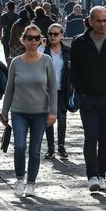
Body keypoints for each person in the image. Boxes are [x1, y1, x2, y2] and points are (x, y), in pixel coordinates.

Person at [69, 6, 106, 192]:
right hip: (88, 98)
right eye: (99, 21)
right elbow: (74, 71)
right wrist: (82, 92)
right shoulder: (80, 42)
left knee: (104, 139)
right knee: (90, 137)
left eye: (105, 20)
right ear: (90, 21)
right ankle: (92, 175)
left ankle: (102, 174)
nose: (103, 24)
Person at [0, 24, 57, 197]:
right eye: (30, 38)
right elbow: (9, 88)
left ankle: (31, 182)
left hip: (40, 112)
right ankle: (19, 179)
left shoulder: (46, 60)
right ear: (23, 40)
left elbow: (53, 87)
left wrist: (53, 111)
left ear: (41, 40)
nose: (33, 41)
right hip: (19, 111)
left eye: (36, 38)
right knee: (19, 146)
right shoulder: (16, 63)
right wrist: (4, 111)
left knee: (35, 149)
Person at [43, 23, 70, 159]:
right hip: (47, 91)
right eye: (50, 34)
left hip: (63, 90)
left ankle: (61, 146)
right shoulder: (43, 51)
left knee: (62, 118)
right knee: (49, 119)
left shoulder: (67, 52)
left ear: (61, 36)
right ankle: (50, 148)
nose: (52, 36)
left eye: (55, 34)